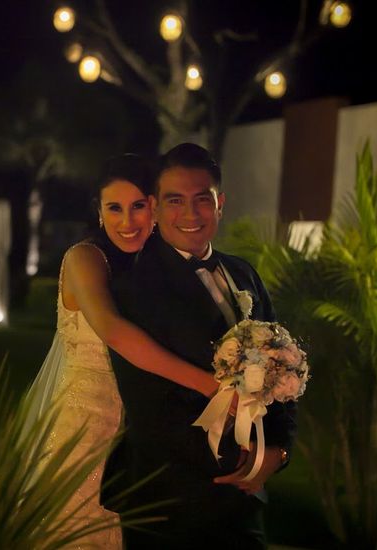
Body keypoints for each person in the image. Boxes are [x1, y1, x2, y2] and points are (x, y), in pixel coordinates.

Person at [102, 143, 298, 548]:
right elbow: (148, 406)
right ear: (155, 207)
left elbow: (284, 369)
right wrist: (232, 461)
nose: (190, 215)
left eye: (202, 200)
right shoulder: (133, 289)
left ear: (220, 203)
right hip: (169, 503)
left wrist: (276, 454)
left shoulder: (245, 274)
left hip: (245, 505)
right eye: (175, 201)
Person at [26, 154, 218, 549]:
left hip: (139, 437)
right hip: (84, 428)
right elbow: (113, 331)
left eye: (138, 207)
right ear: (99, 212)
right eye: (114, 208)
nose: (127, 222)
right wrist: (209, 386)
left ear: (155, 207)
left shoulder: (157, 268)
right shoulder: (85, 259)